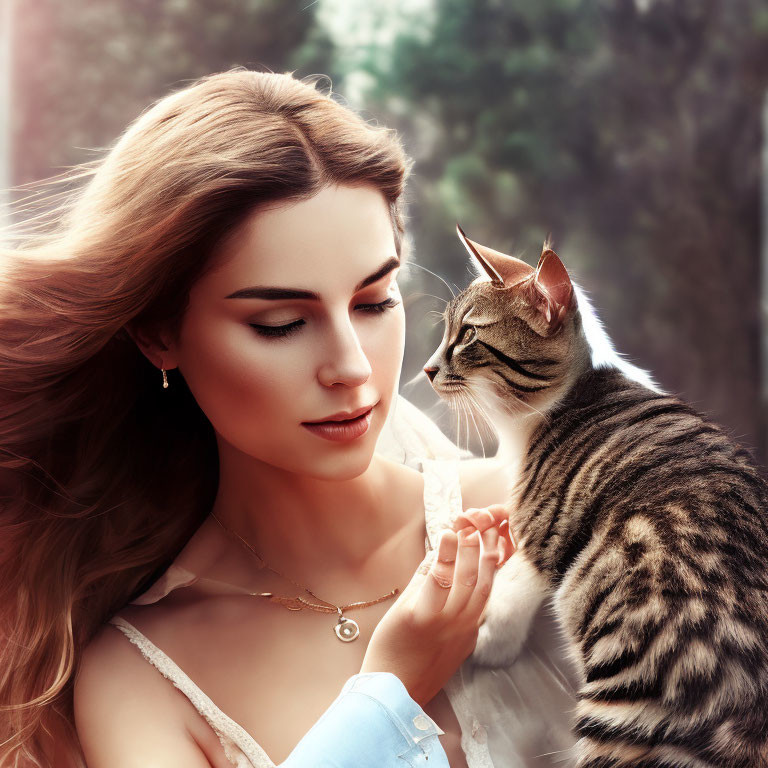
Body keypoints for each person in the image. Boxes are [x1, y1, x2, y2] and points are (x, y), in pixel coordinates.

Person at [0, 69, 580, 768]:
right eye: (280, 324)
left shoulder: (550, 513)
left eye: (374, 303)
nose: (352, 367)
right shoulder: (141, 679)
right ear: (159, 334)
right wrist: (390, 692)